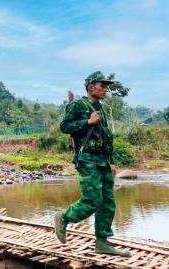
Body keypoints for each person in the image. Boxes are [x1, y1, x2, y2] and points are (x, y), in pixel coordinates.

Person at [54, 71, 130, 257]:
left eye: (106, 87)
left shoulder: (100, 108)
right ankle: (64, 217)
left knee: (108, 203)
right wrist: (87, 121)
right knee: (93, 201)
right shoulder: (78, 105)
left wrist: (111, 162)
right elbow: (65, 126)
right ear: (90, 87)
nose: (105, 90)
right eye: (102, 86)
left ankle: (102, 243)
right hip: (87, 160)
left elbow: (105, 137)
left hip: (102, 161)